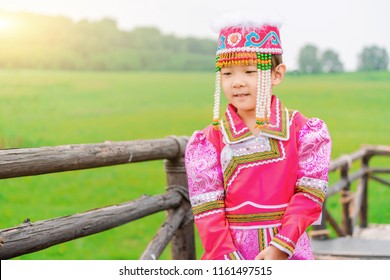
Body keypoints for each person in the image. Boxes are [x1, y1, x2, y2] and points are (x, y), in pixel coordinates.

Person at [184, 13, 332, 260]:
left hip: (288, 251)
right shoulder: (209, 141)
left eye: (250, 71)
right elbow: (208, 210)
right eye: (227, 73)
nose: (237, 83)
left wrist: (281, 246)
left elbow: (309, 194)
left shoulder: (303, 131)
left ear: (277, 74)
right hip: (229, 257)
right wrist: (230, 260)